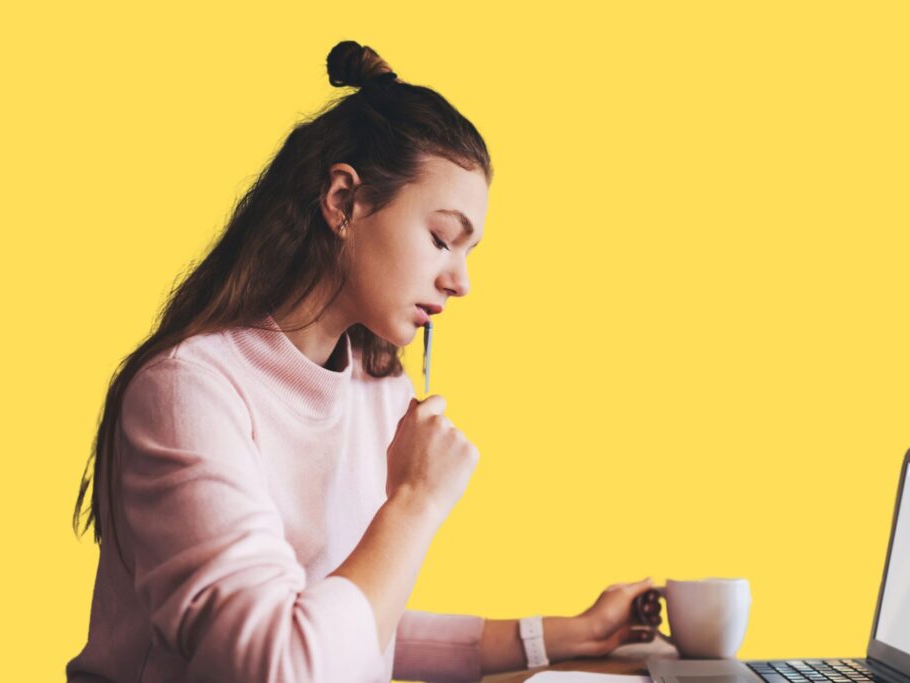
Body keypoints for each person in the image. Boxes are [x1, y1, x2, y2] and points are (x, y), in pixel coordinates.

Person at [67, 40, 662, 683]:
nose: (461, 282)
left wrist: (569, 635)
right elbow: (281, 664)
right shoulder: (190, 392)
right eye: (440, 238)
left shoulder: (374, 388)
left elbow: (354, 627)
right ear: (344, 201)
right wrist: (414, 502)